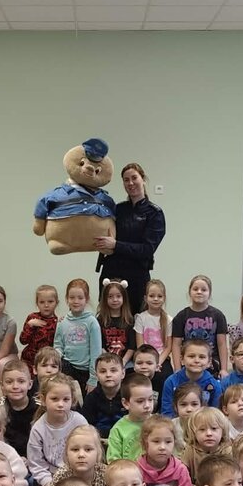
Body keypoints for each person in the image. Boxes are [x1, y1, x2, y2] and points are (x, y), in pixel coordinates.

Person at [93, 162, 166, 315]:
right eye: (126, 180)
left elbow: (147, 250)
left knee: (135, 321)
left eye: (134, 178)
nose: (130, 183)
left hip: (137, 277)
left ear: (143, 179)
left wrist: (116, 245)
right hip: (111, 273)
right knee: (107, 320)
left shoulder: (154, 213)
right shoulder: (118, 209)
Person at [27, 374, 88, 486]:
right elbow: (36, 463)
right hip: (51, 477)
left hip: (79, 474)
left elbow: (89, 449)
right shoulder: (38, 428)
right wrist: (49, 484)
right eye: (54, 399)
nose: (60, 404)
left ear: (72, 400)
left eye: (66, 399)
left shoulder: (79, 421)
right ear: (43, 399)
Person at [136, 414, 194, 486]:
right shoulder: (136, 470)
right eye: (156, 441)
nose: (162, 447)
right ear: (145, 443)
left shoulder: (180, 470)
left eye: (168, 442)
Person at [170, 274, 229, 378]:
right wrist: (177, 368)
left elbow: (222, 344)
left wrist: (224, 369)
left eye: (204, 290)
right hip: (189, 362)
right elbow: (176, 344)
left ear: (209, 293)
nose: (199, 292)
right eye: (195, 289)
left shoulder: (218, 315)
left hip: (211, 363)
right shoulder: (181, 316)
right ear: (189, 292)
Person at [54, 278, 102, 392]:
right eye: (72, 298)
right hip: (67, 368)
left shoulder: (92, 322)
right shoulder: (62, 322)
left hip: (85, 371)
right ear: (67, 299)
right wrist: (58, 355)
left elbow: (96, 352)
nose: (76, 301)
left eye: (80, 298)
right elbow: (58, 345)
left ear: (87, 299)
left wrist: (93, 379)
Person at [160, 337, 221, 417]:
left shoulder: (214, 385)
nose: (196, 360)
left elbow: (215, 414)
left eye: (202, 357)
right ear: (182, 359)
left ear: (209, 362)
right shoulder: (171, 382)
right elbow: (167, 413)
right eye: (191, 356)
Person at [181, 407, 231, 486]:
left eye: (214, 428)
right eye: (202, 429)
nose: (209, 433)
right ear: (193, 433)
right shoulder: (190, 451)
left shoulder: (228, 451)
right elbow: (182, 478)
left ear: (223, 431)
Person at [107, 372, 155, 462]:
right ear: (126, 403)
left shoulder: (158, 424)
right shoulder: (118, 429)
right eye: (140, 401)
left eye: (150, 399)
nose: (147, 405)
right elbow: (113, 462)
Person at [19, 284, 60, 378]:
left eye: (50, 301)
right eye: (42, 302)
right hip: (30, 359)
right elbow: (23, 340)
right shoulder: (32, 318)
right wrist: (30, 325)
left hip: (47, 361)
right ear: (37, 303)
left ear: (56, 303)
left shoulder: (58, 322)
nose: (46, 305)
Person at [133, 279, 171, 380]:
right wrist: (148, 362)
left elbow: (168, 347)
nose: (156, 299)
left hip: (161, 359)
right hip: (144, 357)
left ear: (164, 298)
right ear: (145, 298)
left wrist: (157, 363)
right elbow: (140, 346)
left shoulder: (169, 320)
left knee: (163, 376)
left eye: (159, 296)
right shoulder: (140, 318)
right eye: (152, 296)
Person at [82, 352, 126, 438]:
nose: (108, 375)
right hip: (98, 440)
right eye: (103, 371)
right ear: (96, 375)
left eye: (113, 370)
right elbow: (87, 427)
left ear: (123, 373)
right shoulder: (91, 398)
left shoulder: (130, 396)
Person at [0, 358, 37, 457]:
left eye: (21, 381)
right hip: (6, 457)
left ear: (30, 384)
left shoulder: (40, 409)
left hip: (34, 457)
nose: (15, 386)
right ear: (2, 385)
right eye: (9, 382)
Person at [96, 279, 135, 367]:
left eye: (118, 296)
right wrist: (109, 360)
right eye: (110, 296)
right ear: (105, 299)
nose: (115, 299)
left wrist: (123, 362)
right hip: (106, 359)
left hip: (126, 361)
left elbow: (132, 347)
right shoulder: (100, 320)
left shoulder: (129, 320)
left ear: (124, 298)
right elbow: (100, 345)